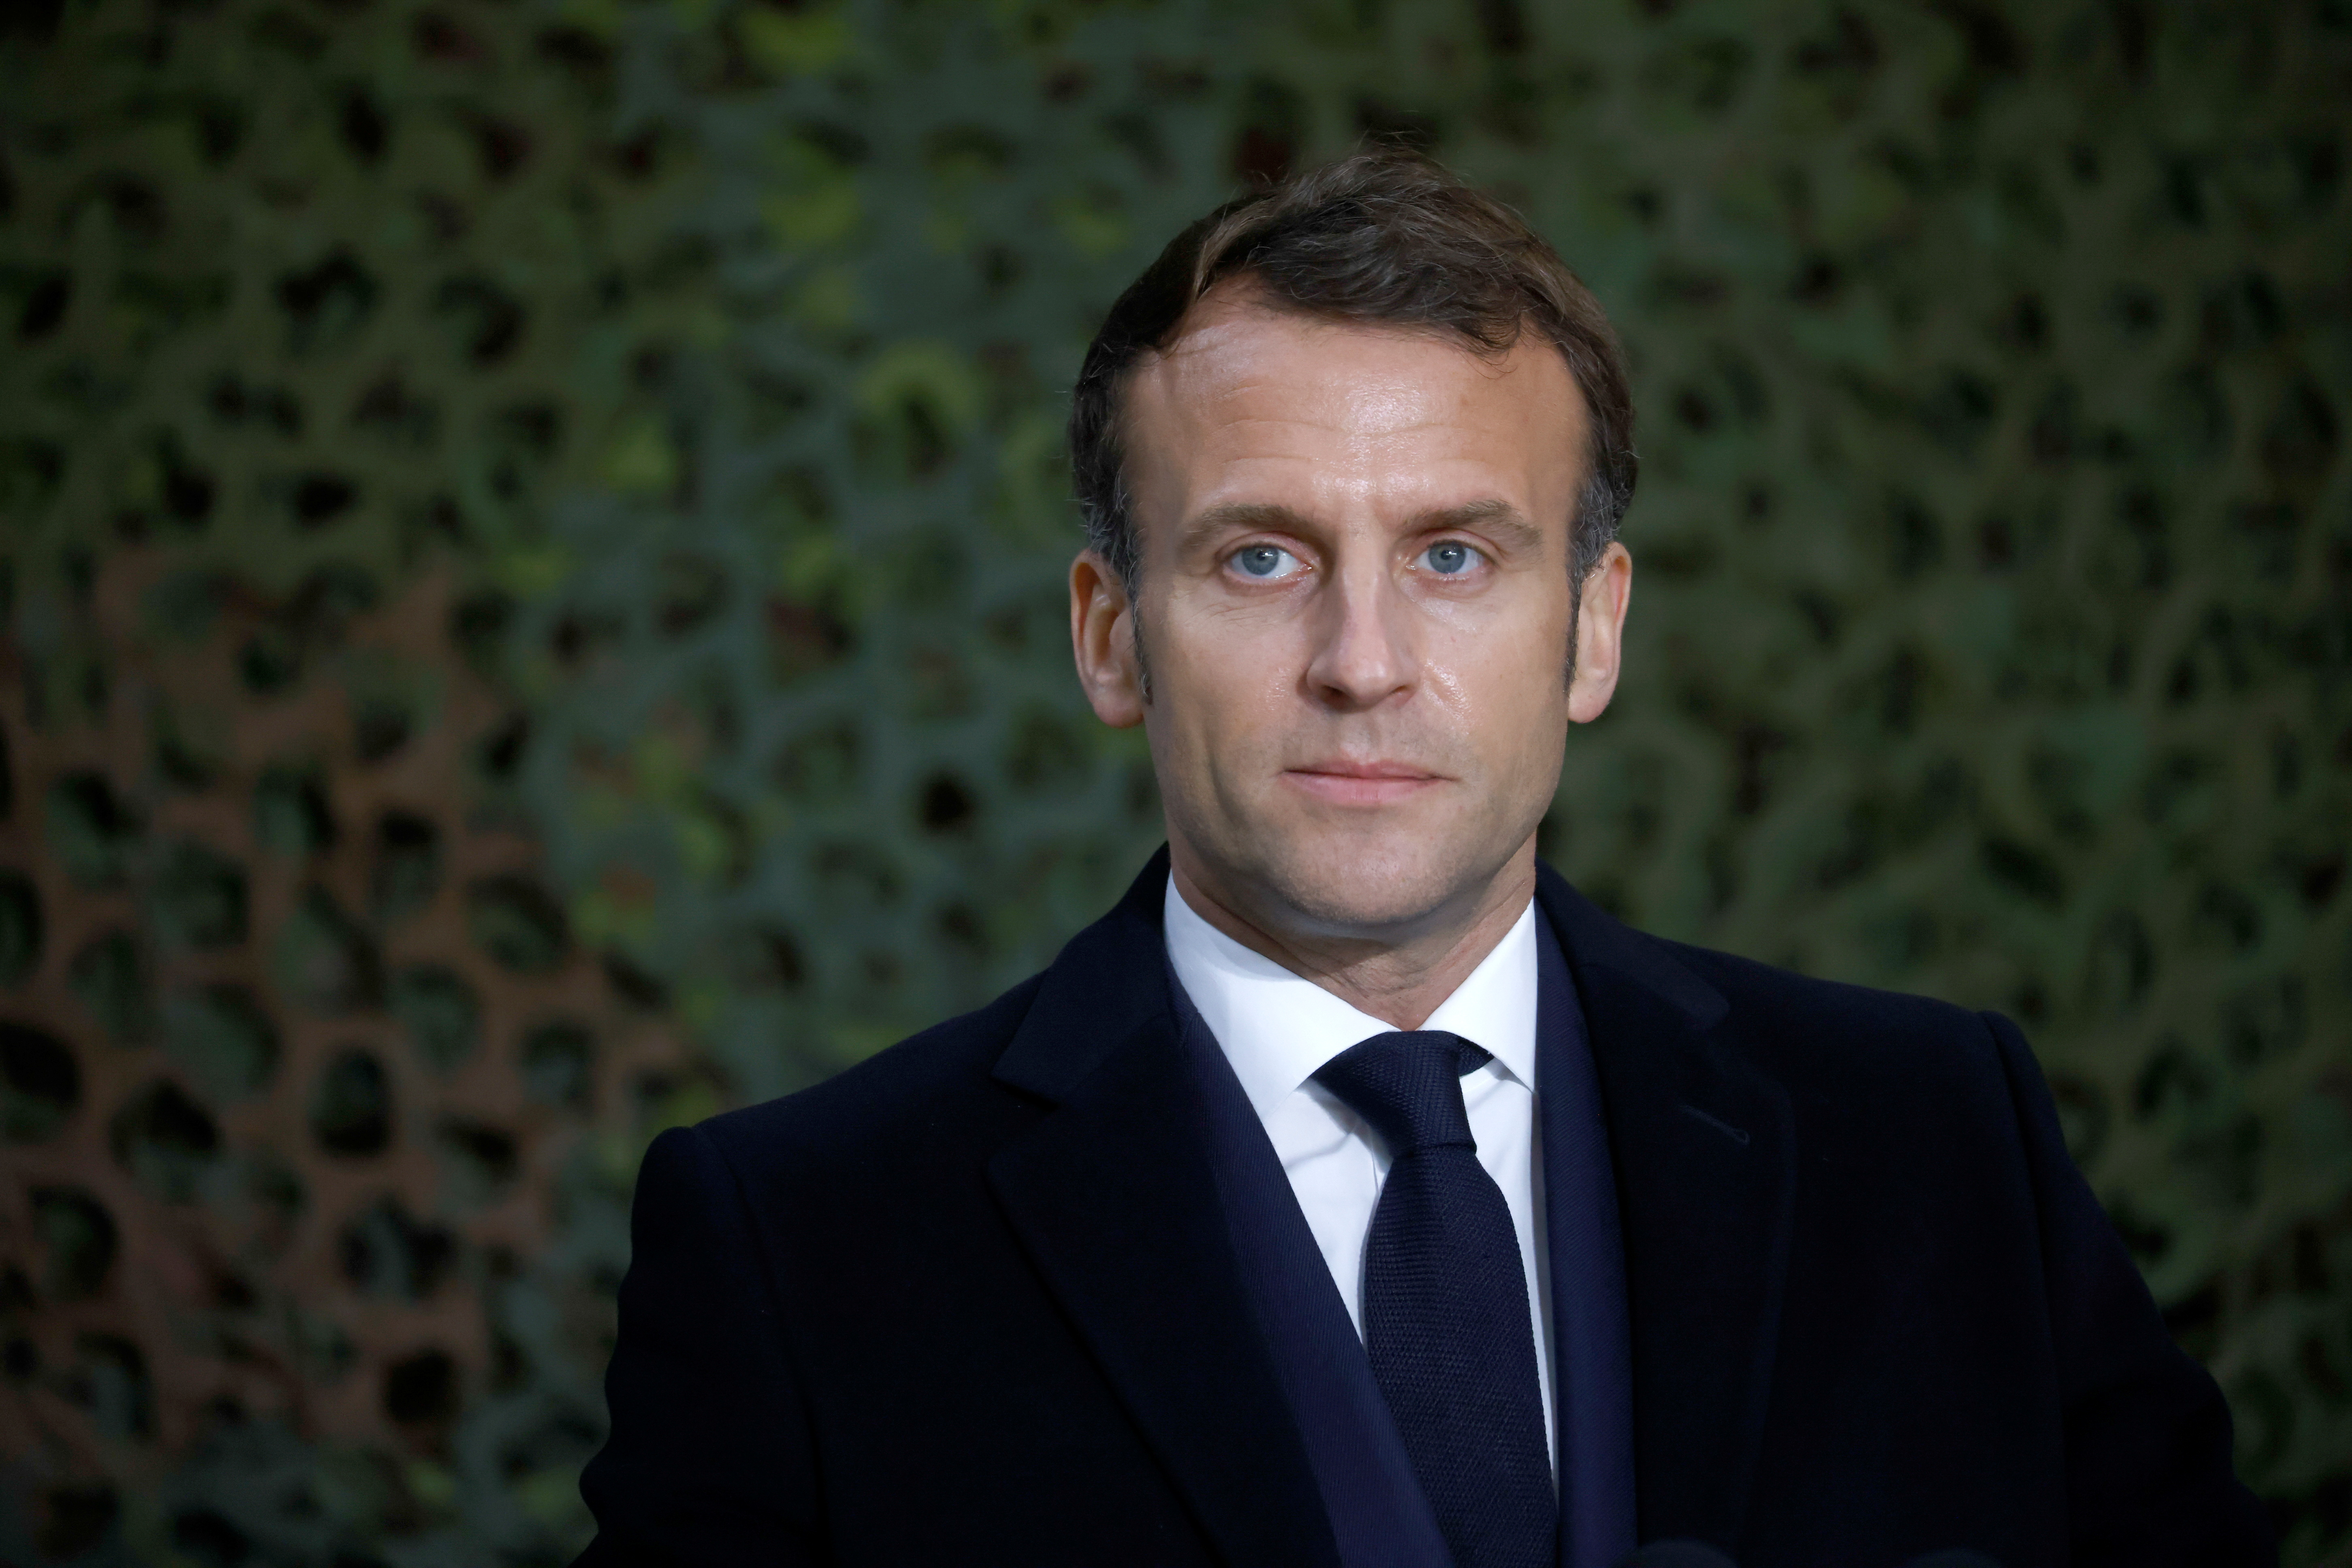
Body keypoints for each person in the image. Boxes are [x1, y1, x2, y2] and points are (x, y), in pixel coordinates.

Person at [573, 150, 2272, 1568]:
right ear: (1110, 636)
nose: (1363, 657)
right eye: (1259, 558)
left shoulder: (1938, 1141)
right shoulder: (803, 1248)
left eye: (1455, 552)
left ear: (1593, 632)